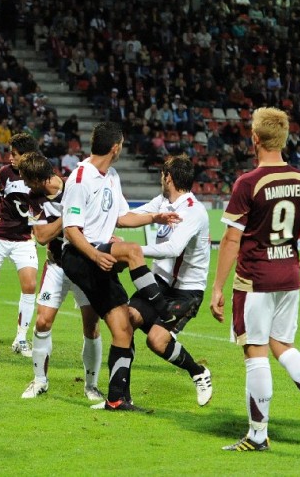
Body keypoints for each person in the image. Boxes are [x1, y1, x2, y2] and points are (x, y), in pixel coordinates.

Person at [210, 106, 300, 452]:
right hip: (288, 276)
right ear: (283, 139)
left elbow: (231, 240)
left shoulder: (248, 182)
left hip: (254, 280)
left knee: (256, 352)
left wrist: (218, 287)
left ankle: (257, 435)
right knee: (283, 345)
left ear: (254, 138)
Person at [60, 122, 180, 412]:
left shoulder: (112, 176)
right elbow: (71, 230)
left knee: (123, 327)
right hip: (79, 256)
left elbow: (122, 217)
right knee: (133, 250)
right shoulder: (79, 177)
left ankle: (116, 399)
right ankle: (163, 309)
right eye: (122, 144)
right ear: (115, 148)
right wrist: (94, 255)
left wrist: (154, 218)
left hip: (98, 256)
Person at [127, 154, 213, 406]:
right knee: (126, 320)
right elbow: (131, 216)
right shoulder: (162, 202)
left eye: (162, 174)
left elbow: (174, 248)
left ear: (169, 178)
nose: (160, 179)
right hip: (160, 281)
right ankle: (119, 394)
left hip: (187, 290)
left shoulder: (194, 211)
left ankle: (198, 372)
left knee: (156, 341)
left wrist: (134, 250)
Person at [17, 152, 103, 401]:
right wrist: (69, 216)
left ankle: (91, 385)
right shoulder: (33, 198)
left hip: (84, 264)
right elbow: (42, 236)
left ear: (39, 179)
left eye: (28, 180)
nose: (26, 185)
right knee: (43, 322)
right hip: (56, 266)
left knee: (91, 326)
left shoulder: (74, 187)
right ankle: (39, 381)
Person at [0, 133, 41, 357]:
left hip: (24, 239)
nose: (10, 157)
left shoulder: (41, 175)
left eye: (15, 154)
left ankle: (21, 339)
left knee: (30, 286)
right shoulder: (4, 173)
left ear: (27, 155)